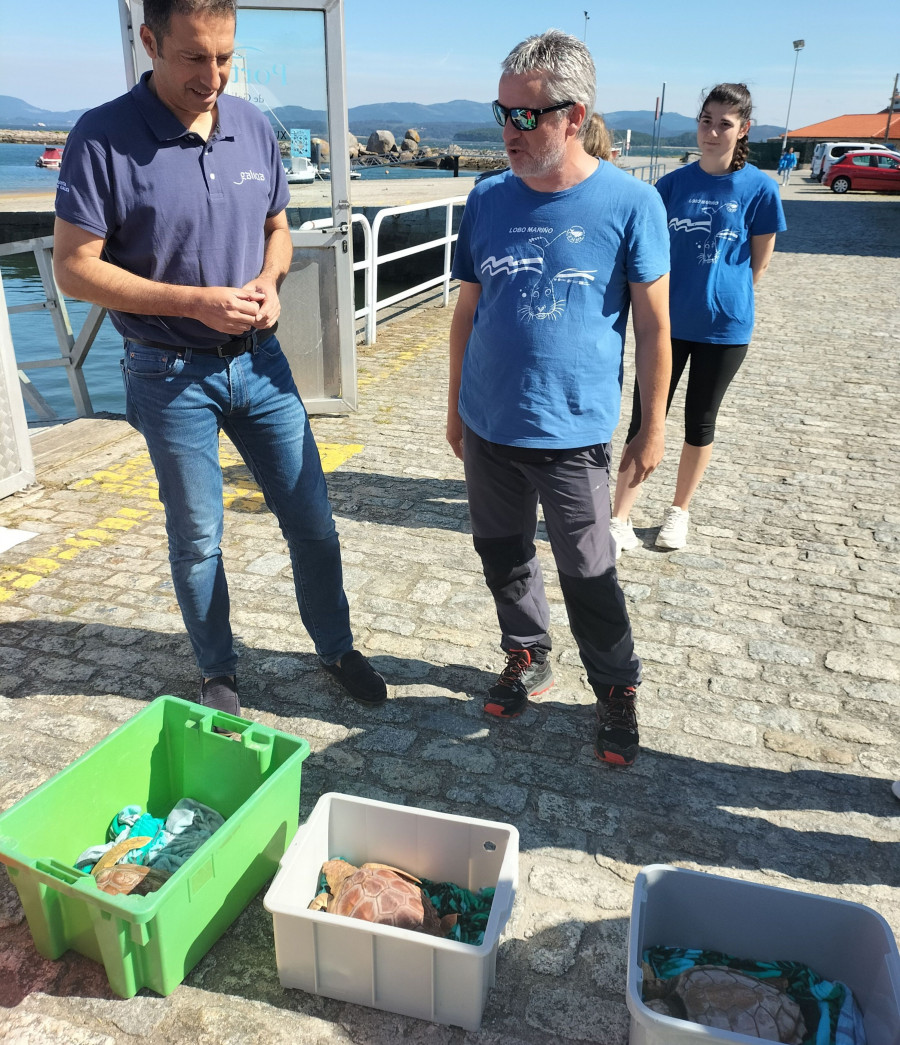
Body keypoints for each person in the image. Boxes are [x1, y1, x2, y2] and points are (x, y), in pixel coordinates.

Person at [52, 0, 386, 715]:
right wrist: (190, 301)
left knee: (313, 521)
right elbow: (75, 269)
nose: (214, 76)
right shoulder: (100, 136)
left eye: (226, 58)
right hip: (168, 372)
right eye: (194, 58)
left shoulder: (254, 126)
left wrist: (269, 282)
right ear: (150, 41)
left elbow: (278, 229)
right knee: (198, 536)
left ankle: (336, 646)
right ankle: (218, 670)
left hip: (262, 364)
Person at [447, 29, 671, 766]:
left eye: (526, 116)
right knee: (501, 554)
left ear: (574, 117)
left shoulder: (631, 203)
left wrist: (652, 427)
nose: (507, 131)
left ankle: (615, 689)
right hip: (488, 423)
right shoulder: (483, 200)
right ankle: (526, 651)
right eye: (501, 112)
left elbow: (653, 323)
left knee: (590, 571)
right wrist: (455, 406)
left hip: (572, 432)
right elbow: (466, 311)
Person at [611, 82, 785, 555]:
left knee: (700, 421)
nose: (711, 131)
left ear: (742, 129)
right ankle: (620, 516)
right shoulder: (669, 187)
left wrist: (722, 297)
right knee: (646, 418)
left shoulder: (761, 190)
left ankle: (678, 512)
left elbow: (758, 263)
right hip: (666, 325)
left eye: (724, 123)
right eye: (706, 120)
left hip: (725, 328)